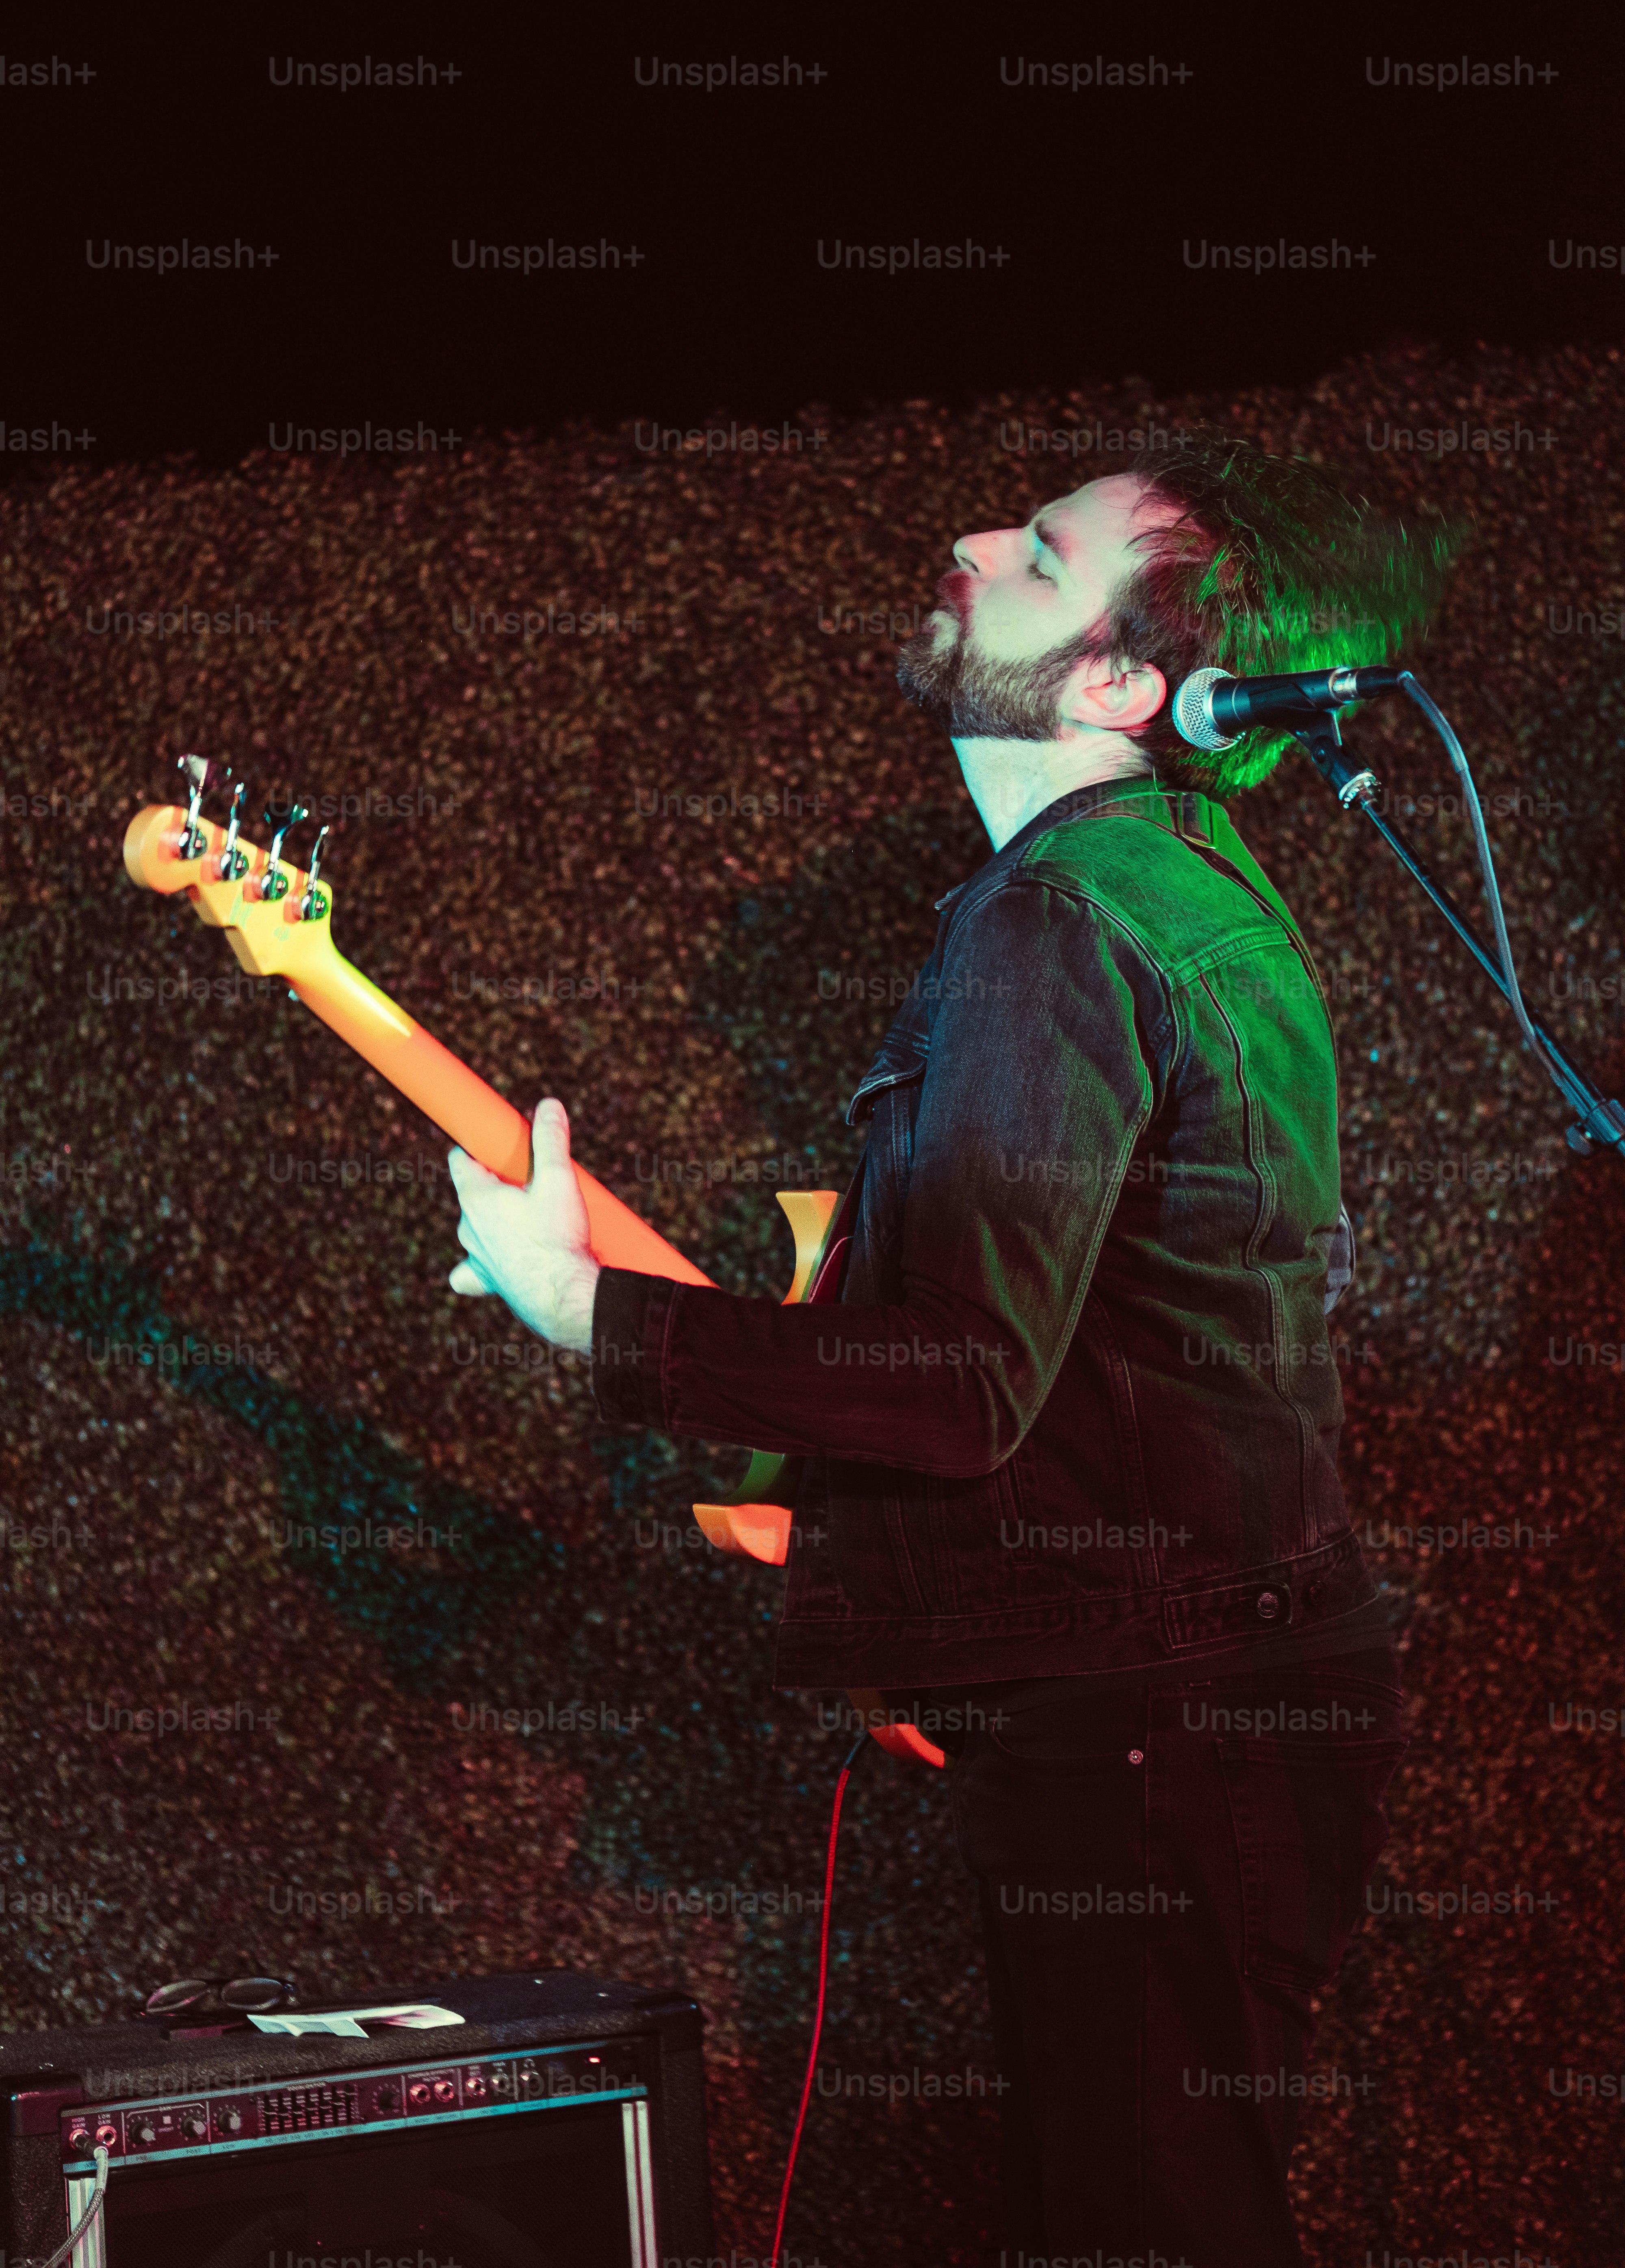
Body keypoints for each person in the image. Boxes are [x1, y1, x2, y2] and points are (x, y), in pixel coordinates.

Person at [447, 428, 1459, 2265]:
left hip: (1157, 1716)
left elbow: (960, 1380)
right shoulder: (1182, 892)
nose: (974, 539)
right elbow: (1082, 1360)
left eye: (1043, 550)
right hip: (1206, 1694)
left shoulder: (1058, 923)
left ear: (1132, 682)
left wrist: (581, 1308)